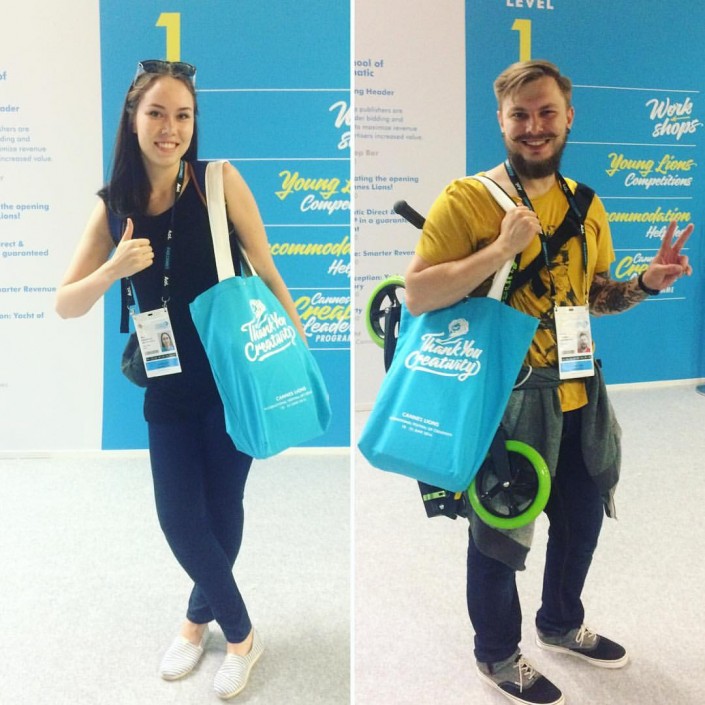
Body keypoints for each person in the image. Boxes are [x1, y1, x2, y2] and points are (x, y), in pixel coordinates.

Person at [404, 59, 693, 705]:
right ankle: (496, 653)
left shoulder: (586, 204)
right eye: (520, 115)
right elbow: (418, 293)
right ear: (500, 121)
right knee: (499, 535)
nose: (533, 127)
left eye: (545, 113)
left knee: (582, 518)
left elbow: (593, 295)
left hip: (580, 387)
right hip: (509, 400)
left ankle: (559, 623)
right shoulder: (467, 199)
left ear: (567, 118)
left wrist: (644, 284)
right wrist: (500, 250)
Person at [55, 60, 307, 699]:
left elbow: (267, 268)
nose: (170, 128)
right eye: (157, 114)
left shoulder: (217, 183)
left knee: (222, 511)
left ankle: (198, 624)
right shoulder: (112, 207)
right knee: (178, 518)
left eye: (183, 116)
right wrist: (112, 268)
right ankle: (242, 634)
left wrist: (295, 344)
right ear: (133, 119)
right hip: (168, 384)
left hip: (232, 379)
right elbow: (66, 303)